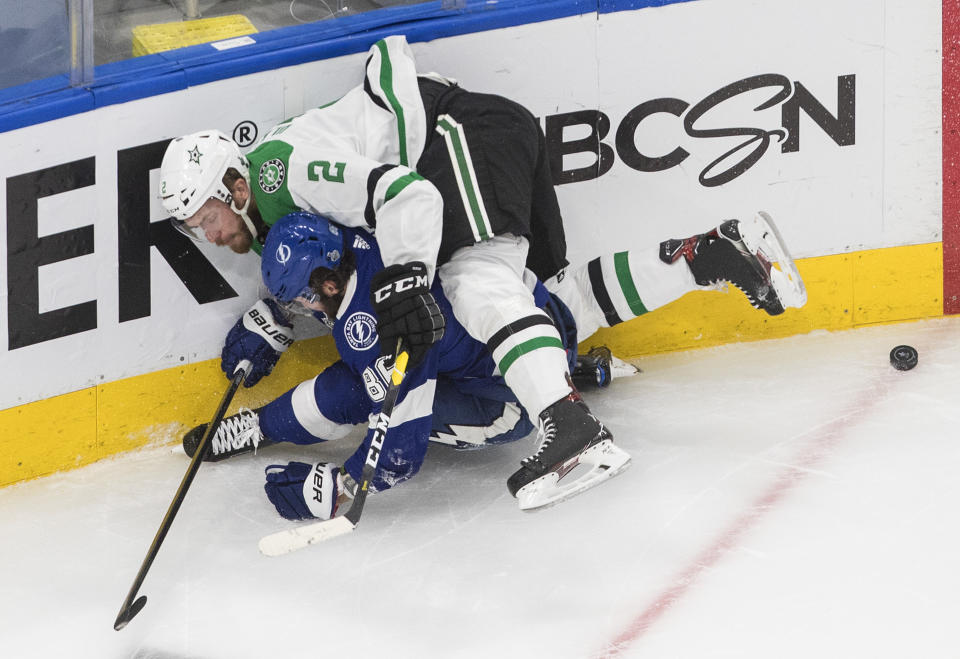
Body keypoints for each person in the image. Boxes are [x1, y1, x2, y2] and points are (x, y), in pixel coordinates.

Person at [160, 34, 806, 509]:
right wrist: (277, 314)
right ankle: (712, 253)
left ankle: (571, 427)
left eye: (207, 215)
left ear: (234, 181)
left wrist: (410, 277)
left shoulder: (283, 172)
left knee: (473, 281)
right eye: (196, 229)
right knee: (554, 300)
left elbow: (407, 196)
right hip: (484, 134)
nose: (210, 235)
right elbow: (339, 253)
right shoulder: (276, 198)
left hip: (458, 138)